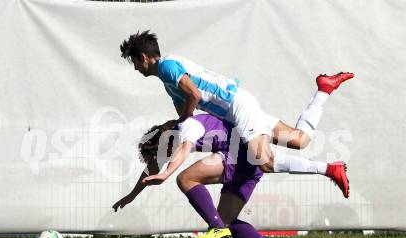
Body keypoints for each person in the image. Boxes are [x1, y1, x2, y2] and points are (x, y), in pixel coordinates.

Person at [119, 30, 353, 195]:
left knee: (265, 163)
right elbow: (187, 112)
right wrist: (175, 123)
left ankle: (330, 170)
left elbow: (196, 97)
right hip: (238, 106)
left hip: (237, 107)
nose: (136, 68)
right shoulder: (167, 78)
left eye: (134, 63)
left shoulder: (167, 67)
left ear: (143, 57)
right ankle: (324, 89)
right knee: (300, 139)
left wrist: (180, 120)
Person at [113, 113, 349, 238]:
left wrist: (167, 173)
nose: (164, 158)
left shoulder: (188, 128)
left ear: (165, 140)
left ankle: (215, 227)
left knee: (185, 179)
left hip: (241, 157)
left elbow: (182, 153)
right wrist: (132, 195)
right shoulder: (180, 136)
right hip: (250, 168)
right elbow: (153, 170)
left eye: (162, 153)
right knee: (226, 220)